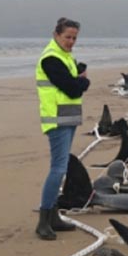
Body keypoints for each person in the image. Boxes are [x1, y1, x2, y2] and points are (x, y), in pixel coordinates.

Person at [34, 17, 90, 240]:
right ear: (56, 35)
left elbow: (72, 82)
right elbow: (72, 88)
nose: (71, 41)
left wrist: (78, 77)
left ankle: (54, 215)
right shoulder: (51, 58)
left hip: (67, 119)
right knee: (57, 169)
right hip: (56, 121)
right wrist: (84, 81)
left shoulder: (65, 56)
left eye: (74, 38)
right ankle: (43, 219)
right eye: (67, 37)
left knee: (62, 167)